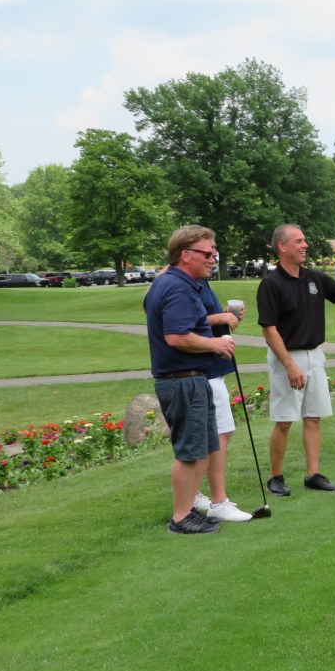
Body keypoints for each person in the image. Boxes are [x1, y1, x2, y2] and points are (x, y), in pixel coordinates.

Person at [257, 224, 335, 495]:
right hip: (286, 357)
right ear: (282, 246)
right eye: (298, 241)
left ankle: (313, 474)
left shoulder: (314, 278)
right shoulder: (271, 284)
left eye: (304, 240)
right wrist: (289, 365)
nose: (304, 245)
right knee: (284, 420)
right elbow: (269, 330)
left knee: (313, 417)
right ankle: (275, 476)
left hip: (314, 355)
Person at [144, 225, 236, 534]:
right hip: (181, 380)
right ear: (185, 255)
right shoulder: (176, 287)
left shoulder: (179, 283)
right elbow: (176, 336)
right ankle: (181, 517)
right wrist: (215, 344)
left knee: (203, 447)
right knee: (189, 451)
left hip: (193, 378)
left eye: (214, 253)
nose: (213, 258)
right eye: (207, 253)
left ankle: (190, 511)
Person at [191, 282, 253, 522]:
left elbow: (200, 318)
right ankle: (218, 502)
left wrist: (226, 314)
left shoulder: (200, 281)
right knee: (219, 433)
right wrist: (220, 317)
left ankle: (194, 494)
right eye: (208, 261)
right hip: (205, 369)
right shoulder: (186, 283)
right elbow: (183, 324)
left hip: (213, 367)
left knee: (218, 433)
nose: (212, 262)